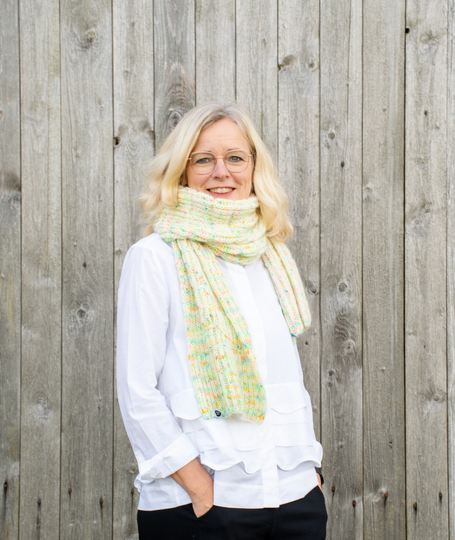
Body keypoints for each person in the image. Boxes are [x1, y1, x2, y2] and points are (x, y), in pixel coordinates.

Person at [116, 101, 326, 540]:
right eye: (203, 160)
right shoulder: (155, 257)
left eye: (235, 158)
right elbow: (138, 391)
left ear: (253, 167)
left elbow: (284, 376)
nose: (221, 172)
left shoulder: (270, 255)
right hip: (202, 505)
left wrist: (312, 475)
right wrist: (198, 488)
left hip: (294, 498)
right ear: (181, 171)